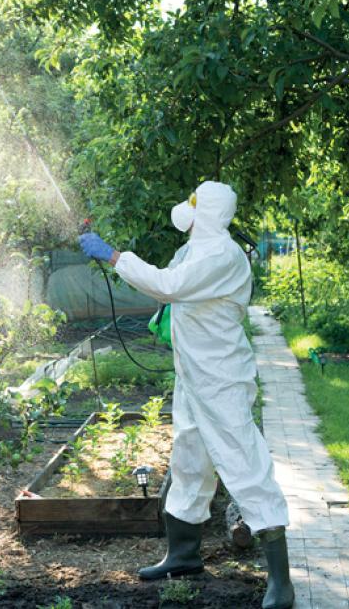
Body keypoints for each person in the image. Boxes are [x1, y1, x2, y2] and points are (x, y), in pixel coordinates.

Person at [78, 181, 294, 609]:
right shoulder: (197, 248)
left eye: (194, 207)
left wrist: (115, 256)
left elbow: (168, 285)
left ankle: (281, 580)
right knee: (189, 460)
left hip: (222, 379)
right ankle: (183, 556)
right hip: (194, 376)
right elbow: (175, 289)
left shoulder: (221, 254)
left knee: (244, 463)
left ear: (205, 212)